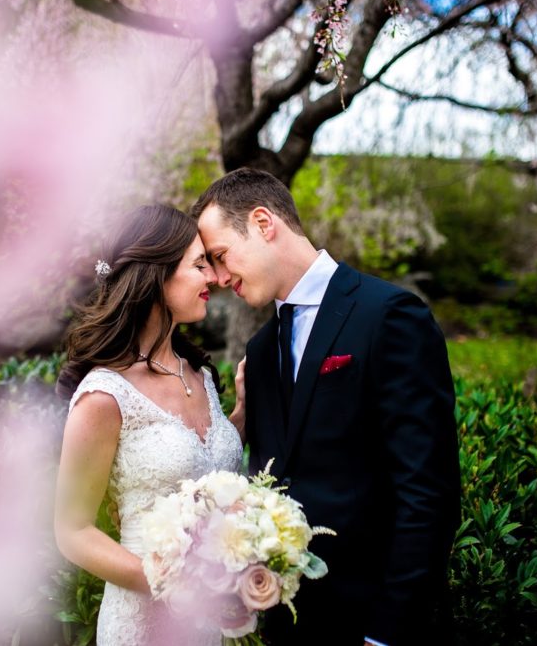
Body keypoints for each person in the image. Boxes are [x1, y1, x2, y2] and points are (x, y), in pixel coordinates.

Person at [192, 168, 461, 646]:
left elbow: (428, 492)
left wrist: (387, 633)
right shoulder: (258, 351)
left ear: (262, 222)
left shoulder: (391, 316)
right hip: (289, 625)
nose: (217, 277)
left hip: (376, 622)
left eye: (219, 256)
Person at [53, 205, 245, 646]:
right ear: (156, 278)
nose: (213, 279)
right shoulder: (105, 394)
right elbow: (72, 531)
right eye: (199, 265)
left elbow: (207, 467)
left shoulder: (199, 374)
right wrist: (168, 583)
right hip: (142, 623)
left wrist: (243, 415)